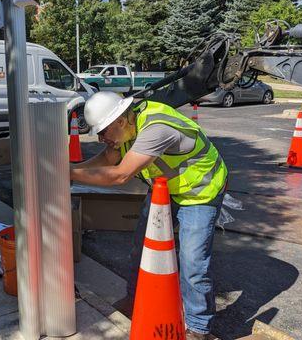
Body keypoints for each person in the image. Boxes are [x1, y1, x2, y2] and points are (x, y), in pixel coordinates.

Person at [70, 91, 227, 340]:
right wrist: (72, 169)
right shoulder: (125, 129)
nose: (100, 138)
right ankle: (135, 301)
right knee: (142, 249)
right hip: (165, 191)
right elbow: (109, 159)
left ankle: (198, 327)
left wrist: (68, 174)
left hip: (200, 193)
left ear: (120, 121)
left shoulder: (156, 128)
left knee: (192, 262)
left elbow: (120, 174)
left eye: (103, 132)